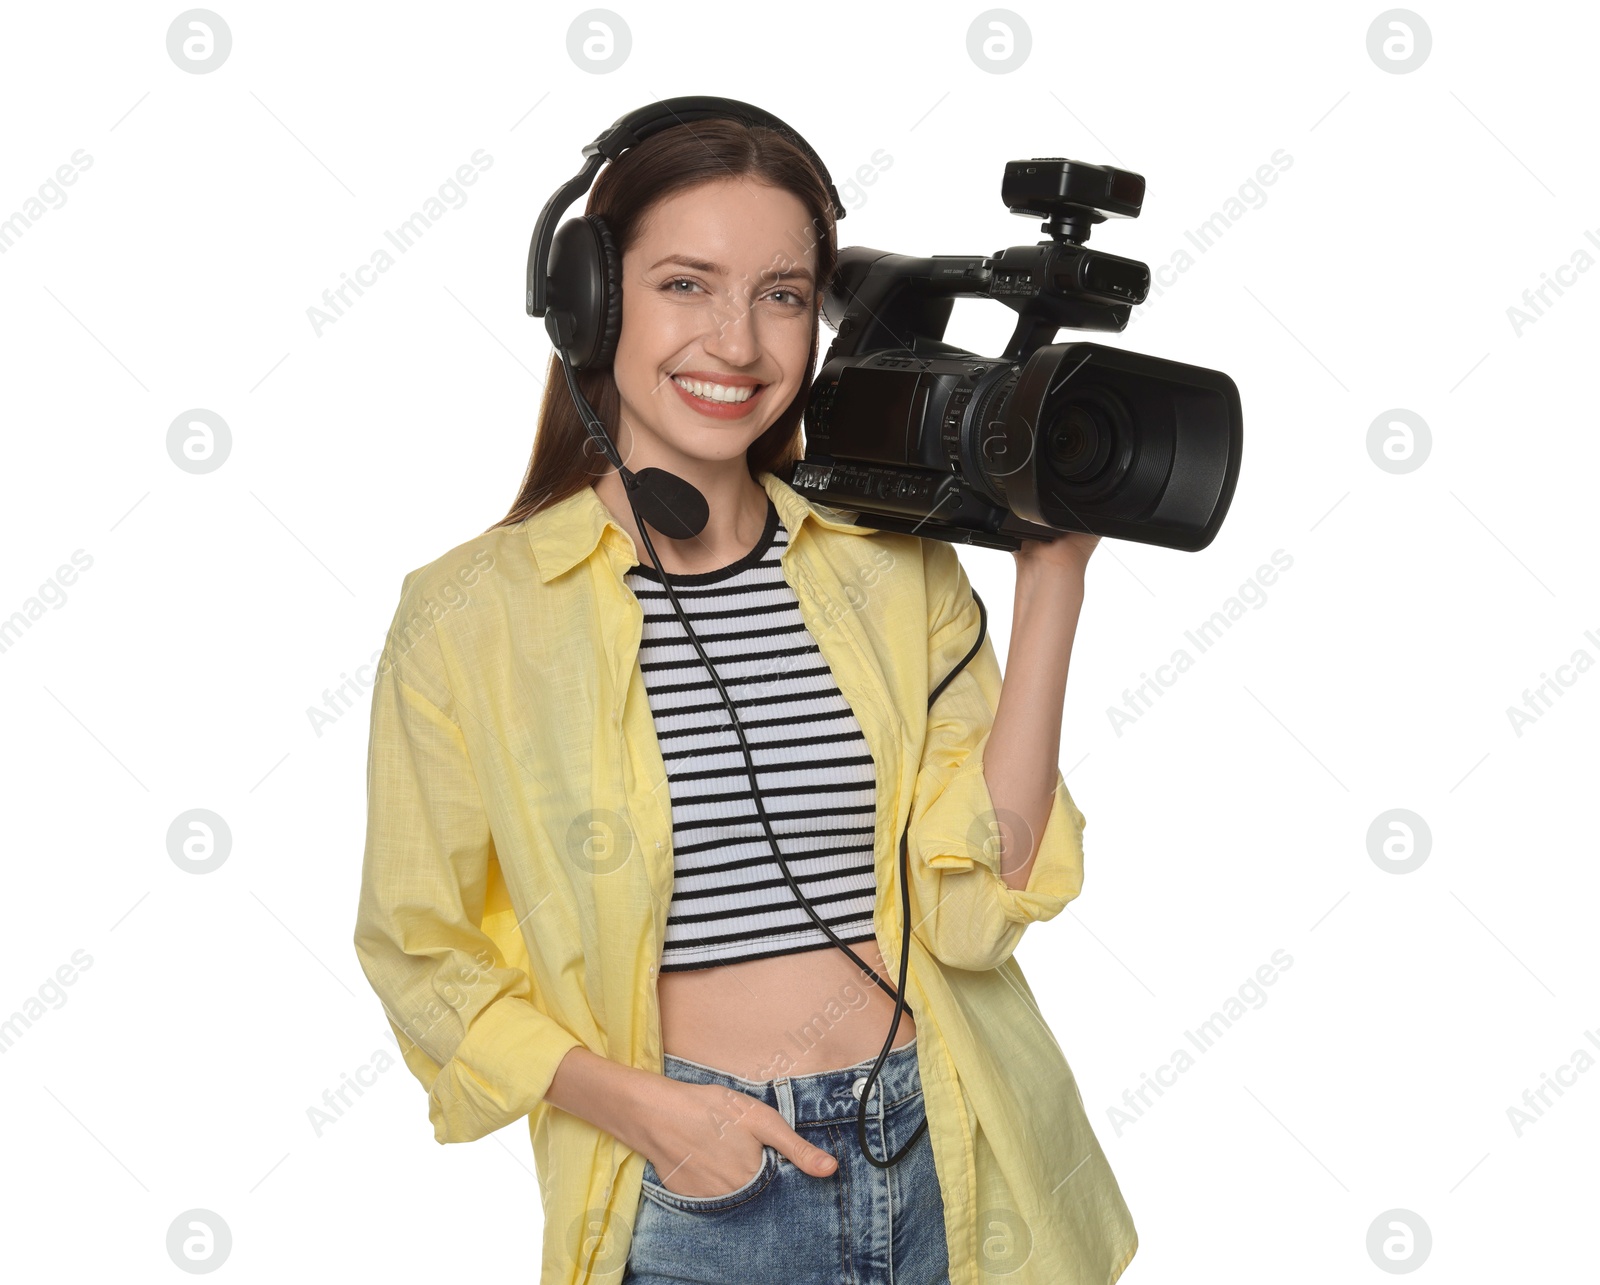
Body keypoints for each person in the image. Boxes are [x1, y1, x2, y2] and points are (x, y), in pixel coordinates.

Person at [353, 116, 1137, 1285]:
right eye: (684, 284)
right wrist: (645, 1112)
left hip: (947, 1146)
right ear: (591, 307)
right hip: (698, 1187)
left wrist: (1051, 581)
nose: (738, 341)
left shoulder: (891, 571)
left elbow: (979, 910)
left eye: (780, 295)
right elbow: (421, 952)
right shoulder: (472, 616)